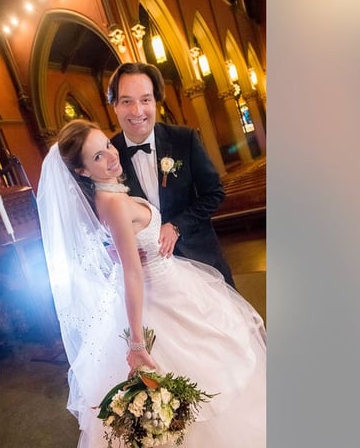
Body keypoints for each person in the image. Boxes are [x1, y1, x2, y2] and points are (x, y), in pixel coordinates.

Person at [37, 119, 266, 447]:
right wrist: (137, 342)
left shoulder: (110, 191)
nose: (111, 156)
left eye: (107, 146)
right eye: (98, 157)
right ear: (83, 172)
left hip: (173, 283)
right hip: (158, 297)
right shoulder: (113, 202)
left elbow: (124, 247)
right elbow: (132, 272)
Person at [107, 62, 236, 288]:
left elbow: (214, 193)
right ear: (114, 105)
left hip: (200, 259)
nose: (137, 111)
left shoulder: (184, 139)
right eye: (127, 101)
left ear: (155, 102)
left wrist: (176, 226)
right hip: (151, 277)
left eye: (145, 100)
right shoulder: (108, 155)